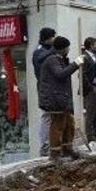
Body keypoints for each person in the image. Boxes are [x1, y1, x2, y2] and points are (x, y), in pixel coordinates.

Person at [37, 36, 83, 161]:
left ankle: (67, 148)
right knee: (57, 124)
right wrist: (75, 64)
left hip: (62, 97)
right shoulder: (52, 60)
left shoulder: (60, 59)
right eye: (67, 47)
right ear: (63, 48)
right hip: (55, 98)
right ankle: (55, 153)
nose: (69, 49)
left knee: (69, 124)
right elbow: (61, 74)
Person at [33, 27, 57, 156]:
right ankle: (44, 147)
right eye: (53, 37)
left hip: (52, 88)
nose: (54, 39)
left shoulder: (47, 50)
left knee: (52, 116)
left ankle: (52, 144)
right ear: (48, 37)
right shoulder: (39, 51)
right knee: (46, 116)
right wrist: (54, 49)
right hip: (45, 89)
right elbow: (41, 59)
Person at [81, 37, 96, 142]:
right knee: (91, 113)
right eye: (95, 44)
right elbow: (83, 74)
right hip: (91, 88)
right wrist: (89, 87)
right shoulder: (84, 57)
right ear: (91, 45)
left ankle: (95, 133)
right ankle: (89, 136)